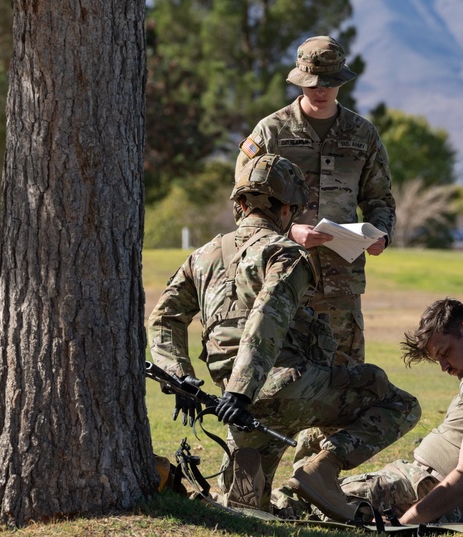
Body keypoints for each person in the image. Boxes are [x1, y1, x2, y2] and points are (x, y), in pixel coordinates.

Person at [148, 153, 420, 520]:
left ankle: (254, 477)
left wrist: (181, 379)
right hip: (284, 390)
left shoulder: (202, 256)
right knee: (395, 401)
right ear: (289, 208)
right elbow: (267, 318)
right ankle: (321, 469)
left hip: (241, 408)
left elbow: (164, 318)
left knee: (246, 514)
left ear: (240, 204)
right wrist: (241, 391)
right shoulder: (286, 253)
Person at [235, 35, 394, 366]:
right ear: (299, 81)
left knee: (345, 379)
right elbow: (243, 208)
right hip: (282, 274)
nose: (320, 92)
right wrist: (290, 232)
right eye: (312, 85)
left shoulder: (363, 134)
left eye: (329, 84)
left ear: (341, 81)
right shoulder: (270, 133)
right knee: (281, 375)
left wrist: (381, 234)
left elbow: (379, 198)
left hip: (342, 281)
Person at [329, 298, 463, 524]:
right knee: (317, 493)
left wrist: (406, 523)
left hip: (425, 488)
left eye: (445, 353)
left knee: (308, 500)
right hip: (418, 483)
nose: (444, 367)